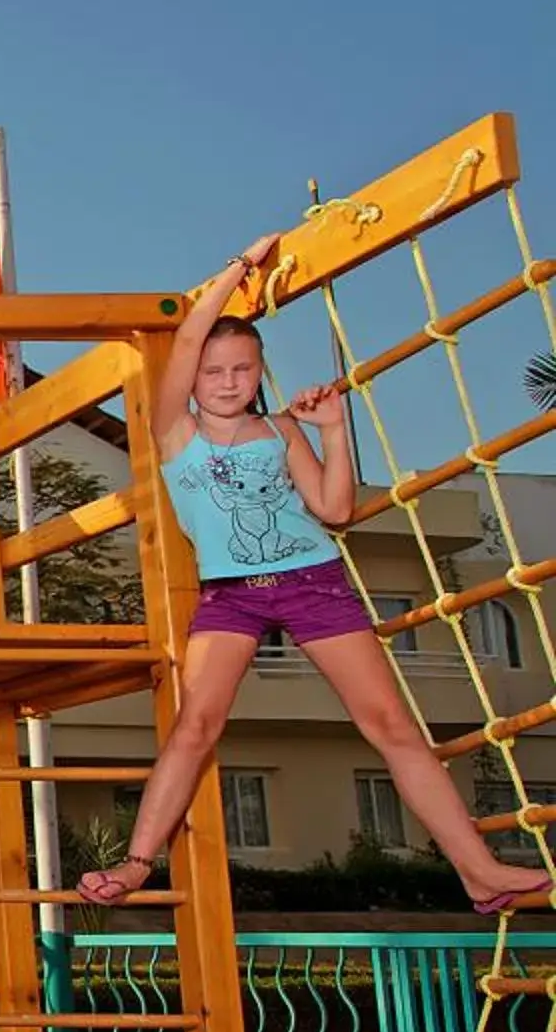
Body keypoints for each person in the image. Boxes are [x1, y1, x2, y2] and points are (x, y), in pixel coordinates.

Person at [81, 233, 549, 914]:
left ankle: (478, 871)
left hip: (315, 582)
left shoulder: (281, 432)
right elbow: (184, 342)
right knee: (197, 725)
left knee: (389, 724)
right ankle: (134, 866)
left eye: (243, 369)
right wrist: (239, 268)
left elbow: (334, 509)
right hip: (231, 597)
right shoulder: (175, 432)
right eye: (215, 372)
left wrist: (332, 427)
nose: (228, 382)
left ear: (260, 371)